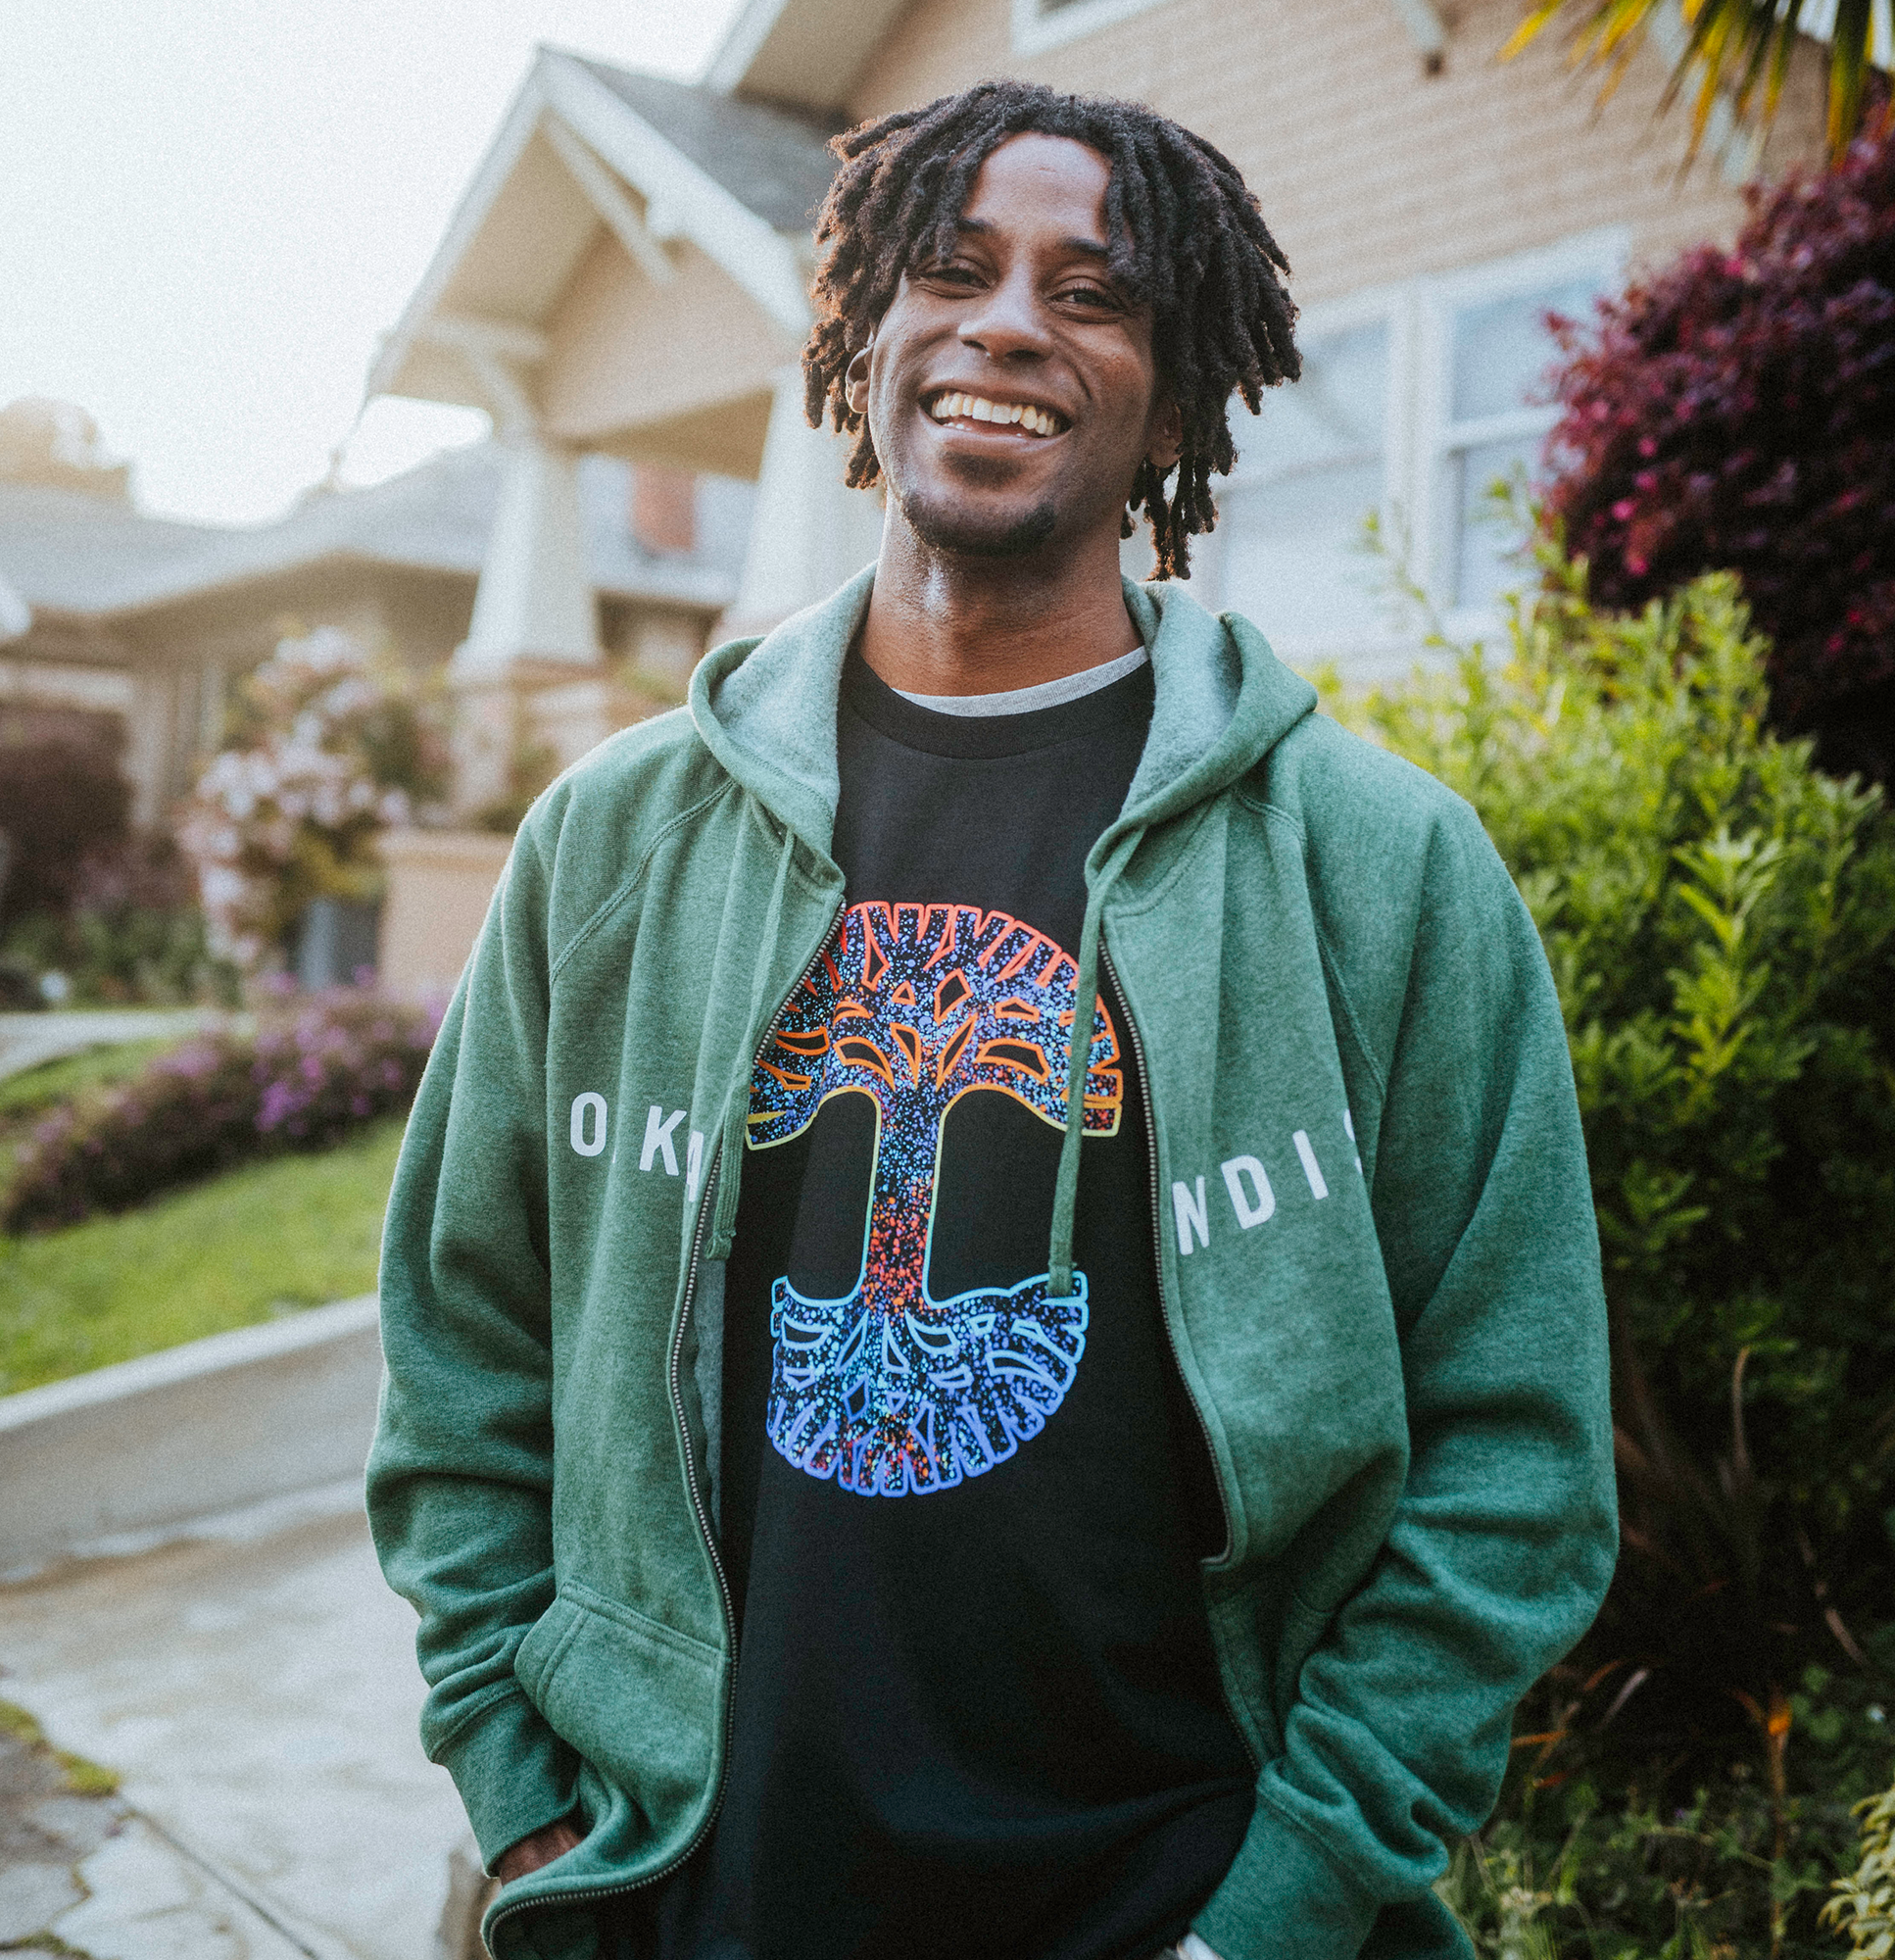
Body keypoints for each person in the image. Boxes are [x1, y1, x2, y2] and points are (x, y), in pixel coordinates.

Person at [367, 80, 1616, 1960]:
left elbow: (1516, 1455)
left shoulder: (1380, 874)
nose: (1008, 323)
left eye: (1090, 293)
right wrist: (529, 1799)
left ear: (1180, 395)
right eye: (951, 272)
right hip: (698, 1889)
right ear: (863, 342)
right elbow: (466, 1357)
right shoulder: (615, 847)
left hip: (1176, 1900)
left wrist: (1277, 1908)